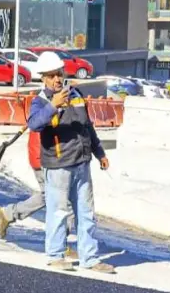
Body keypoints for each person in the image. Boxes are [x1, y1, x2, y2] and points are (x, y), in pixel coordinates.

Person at [27, 50, 114, 274]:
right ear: (43, 78)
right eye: (51, 76)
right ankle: (56, 255)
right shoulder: (40, 101)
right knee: (58, 212)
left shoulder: (76, 95)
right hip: (57, 165)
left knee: (86, 213)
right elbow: (34, 124)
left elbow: (88, 127)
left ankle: (90, 257)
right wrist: (53, 105)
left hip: (81, 163)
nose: (57, 79)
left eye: (59, 74)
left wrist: (100, 152)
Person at [0, 116, 77, 258]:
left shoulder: (49, 100)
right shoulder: (49, 101)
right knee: (64, 201)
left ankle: (8, 214)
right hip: (46, 157)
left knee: (50, 195)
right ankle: (59, 244)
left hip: (46, 155)